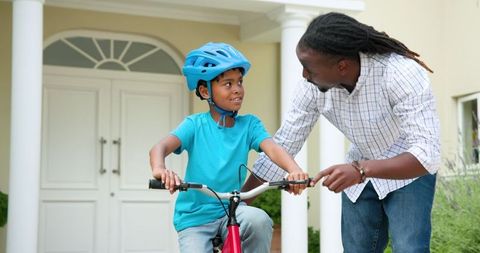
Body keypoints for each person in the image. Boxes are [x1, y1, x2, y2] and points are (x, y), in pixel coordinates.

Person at [243, 12, 441, 253]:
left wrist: (360, 170)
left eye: (309, 68)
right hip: (360, 172)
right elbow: (284, 143)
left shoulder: (399, 73)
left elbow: (427, 154)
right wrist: (240, 202)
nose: (304, 75)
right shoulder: (311, 87)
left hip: (408, 170)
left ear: (342, 66)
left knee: (409, 248)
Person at [149, 42, 309, 253]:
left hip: (232, 211)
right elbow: (159, 148)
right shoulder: (195, 125)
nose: (237, 90)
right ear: (205, 90)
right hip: (195, 217)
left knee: (258, 220)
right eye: (228, 84)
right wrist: (160, 169)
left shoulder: (249, 125)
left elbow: (273, 149)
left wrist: (294, 169)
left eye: (240, 82)